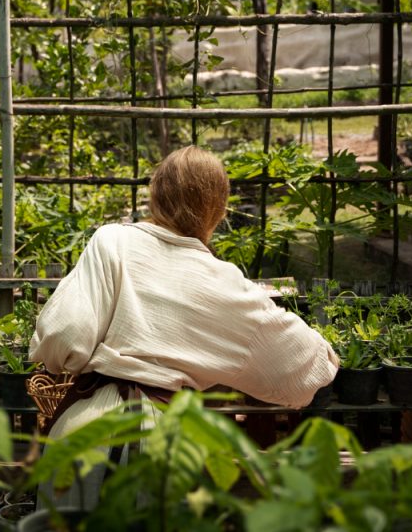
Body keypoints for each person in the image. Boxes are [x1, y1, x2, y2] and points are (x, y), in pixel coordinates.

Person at [28, 146, 338, 507]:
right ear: (218, 211)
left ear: (155, 194)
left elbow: (61, 335)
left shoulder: (112, 240)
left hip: (82, 434)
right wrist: (328, 353)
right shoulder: (224, 281)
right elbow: (302, 371)